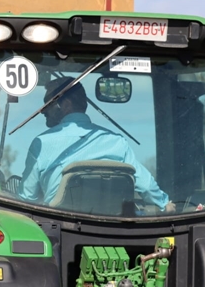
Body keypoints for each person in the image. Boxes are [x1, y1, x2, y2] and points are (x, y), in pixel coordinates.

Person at [21, 77, 175, 212]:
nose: (42, 111)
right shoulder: (116, 142)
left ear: (66, 105)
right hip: (112, 229)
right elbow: (146, 186)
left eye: (48, 104)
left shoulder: (42, 144)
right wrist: (165, 204)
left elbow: (26, 199)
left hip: (59, 227)